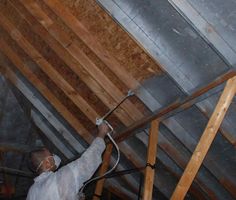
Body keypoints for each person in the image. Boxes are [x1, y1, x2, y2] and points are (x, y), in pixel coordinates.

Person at [26, 123, 110, 200]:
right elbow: (87, 162)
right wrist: (102, 133)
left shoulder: (32, 192)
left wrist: (76, 197)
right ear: (47, 163)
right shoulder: (60, 178)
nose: (54, 156)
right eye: (51, 156)